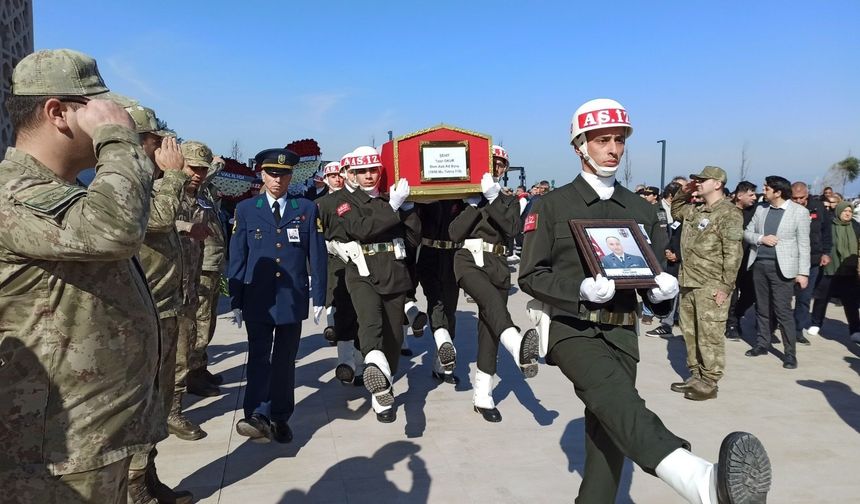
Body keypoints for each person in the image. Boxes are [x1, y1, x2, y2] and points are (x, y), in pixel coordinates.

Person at [518, 97, 771, 503]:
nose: (613, 149)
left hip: (623, 332)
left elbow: (652, 282)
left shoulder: (641, 209)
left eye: (619, 140)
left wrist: (660, 295)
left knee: (609, 430)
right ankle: (699, 480)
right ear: (579, 145)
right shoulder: (551, 205)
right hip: (572, 327)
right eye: (602, 140)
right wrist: (579, 289)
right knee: (615, 397)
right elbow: (531, 274)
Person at [0, 48, 163, 503]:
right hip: (55, 453)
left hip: (91, 439)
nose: (112, 118)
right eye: (95, 108)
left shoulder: (59, 190)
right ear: (57, 112)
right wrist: (117, 138)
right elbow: (115, 231)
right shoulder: (14, 192)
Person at [228, 148, 327, 443]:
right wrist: (235, 299)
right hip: (257, 296)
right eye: (272, 174)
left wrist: (320, 296)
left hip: (291, 296)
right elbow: (238, 257)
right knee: (259, 356)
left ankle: (281, 416)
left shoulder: (305, 209)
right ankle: (257, 415)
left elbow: (317, 255)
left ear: (291, 176)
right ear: (262, 175)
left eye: (283, 175)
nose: (277, 180)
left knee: (284, 360)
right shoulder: (247, 209)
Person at [125, 104, 195, 503]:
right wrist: (173, 176)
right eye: (156, 142)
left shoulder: (151, 183)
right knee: (143, 403)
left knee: (159, 400)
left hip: (166, 307)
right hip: (143, 312)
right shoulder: (126, 183)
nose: (165, 150)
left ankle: (148, 474)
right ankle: (135, 487)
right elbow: (159, 219)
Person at [449, 147, 540, 422]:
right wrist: (472, 205)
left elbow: (512, 228)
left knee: (490, 328)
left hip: (498, 265)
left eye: (501, 164)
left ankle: (483, 395)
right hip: (468, 260)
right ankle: (515, 341)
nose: (496, 167)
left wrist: (493, 198)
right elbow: (454, 233)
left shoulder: (508, 200)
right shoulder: (465, 197)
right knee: (490, 302)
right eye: (491, 162)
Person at [336, 146, 421, 423]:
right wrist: (392, 207)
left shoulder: (390, 197)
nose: (368, 176)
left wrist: (408, 210)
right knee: (370, 325)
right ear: (353, 174)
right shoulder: (346, 201)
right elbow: (360, 229)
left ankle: (385, 382)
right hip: (362, 272)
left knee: (394, 336)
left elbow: (413, 239)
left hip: (394, 270)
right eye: (362, 171)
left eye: (373, 170)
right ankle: (380, 394)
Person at [670, 166, 743, 401]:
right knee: (690, 332)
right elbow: (676, 210)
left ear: (717, 183)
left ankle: (710, 382)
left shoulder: (729, 213)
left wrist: (726, 286)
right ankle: (696, 375)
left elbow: (733, 253)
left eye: (703, 180)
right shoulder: (696, 210)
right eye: (697, 180)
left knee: (710, 335)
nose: (698, 183)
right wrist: (685, 191)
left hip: (711, 284)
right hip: (689, 281)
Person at [743, 175, 810, 369]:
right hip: (760, 265)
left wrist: (803, 273)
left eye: (767, 188)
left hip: (783, 269)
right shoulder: (761, 209)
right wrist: (761, 238)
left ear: (778, 192)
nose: (763, 191)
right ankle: (762, 343)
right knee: (762, 308)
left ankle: (790, 354)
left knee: (783, 311)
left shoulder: (799, 212)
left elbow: (804, 244)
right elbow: (747, 232)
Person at [175, 141, 219, 403]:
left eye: (203, 169)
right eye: (193, 167)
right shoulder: (167, 192)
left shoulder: (201, 194)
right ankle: (190, 378)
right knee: (192, 330)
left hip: (203, 267)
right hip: (181, 277)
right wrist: (186, 227)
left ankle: (198, 369)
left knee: (204, 322)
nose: (198, 174)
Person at [316, 159, 363, 385]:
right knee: (343, 309)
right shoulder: (323, 203)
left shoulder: (361, 199)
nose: (338, 179)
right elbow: (319, 234)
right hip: (339, 262)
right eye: (333, 175)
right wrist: (331, 246)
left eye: (340, 174)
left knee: (363, 314)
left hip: (363, 260)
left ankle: (361, 365)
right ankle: (346, 362)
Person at [415, 197, 468, 384]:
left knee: (450, 309)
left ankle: (442, 362)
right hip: (429, 253)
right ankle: (442, 340)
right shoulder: (425, 197)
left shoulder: (461, 199)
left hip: (453, 255)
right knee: (435, 300)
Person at [810, 202, 860, 341]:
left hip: (849, 269)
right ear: (839, 211)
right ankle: (816, 323)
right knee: (822, 298)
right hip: (829, 267)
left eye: (850, 211)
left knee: (851, 301)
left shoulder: (855, 226)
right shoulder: (830, 225)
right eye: (845, 211)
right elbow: (823, 241)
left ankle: (855, 330)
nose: (848, 213)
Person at [789, 181, 832, 342]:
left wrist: (826, 252)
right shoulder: (787, 209)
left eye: (801, 197)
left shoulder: (818, 207)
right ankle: (772, 325)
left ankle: (797, 330)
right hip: (790, 259)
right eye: (795, 198)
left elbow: (826, 231)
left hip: (812, 260)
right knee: (783, 297)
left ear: (807, 195)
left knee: (804, 297)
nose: (799, 201)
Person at [724, 181, 758, 341]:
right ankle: (731, 324)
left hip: (748, 260)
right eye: (751, 195)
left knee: (750, 294)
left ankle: (737, 314)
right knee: (731, 293)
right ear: (739, 195)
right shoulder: (726, 210)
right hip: (729, 260)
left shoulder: (756, 211)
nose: (754, 198)